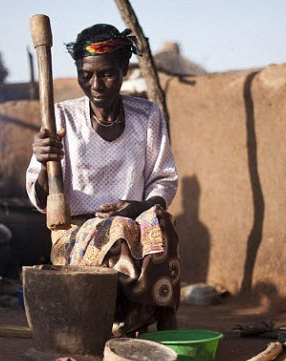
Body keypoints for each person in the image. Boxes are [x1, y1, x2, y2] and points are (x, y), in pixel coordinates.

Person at [26, 24, 179, 336]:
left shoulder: (147, 116)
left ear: (124, 69)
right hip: (76, 234)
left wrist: (137, 208)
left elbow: (164, 180)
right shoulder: (61, 117)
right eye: (86, 75)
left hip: (134, 221)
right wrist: (44, 163)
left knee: (161, 221)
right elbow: (41, 199)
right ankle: (124, 321)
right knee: (118, 230)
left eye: (106, 74)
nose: (95, 84)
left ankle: (162, 317)